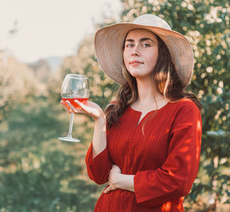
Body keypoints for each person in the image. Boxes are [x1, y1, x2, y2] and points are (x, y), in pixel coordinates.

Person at [61, 14, 202, 211]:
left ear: (164, 55)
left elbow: (179, 180)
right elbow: (98, 175)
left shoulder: (184, 110)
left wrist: (121, 181)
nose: (135, 51)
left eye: (146, 45)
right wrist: (100, 121)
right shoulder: (117, 109)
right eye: (129, 45)